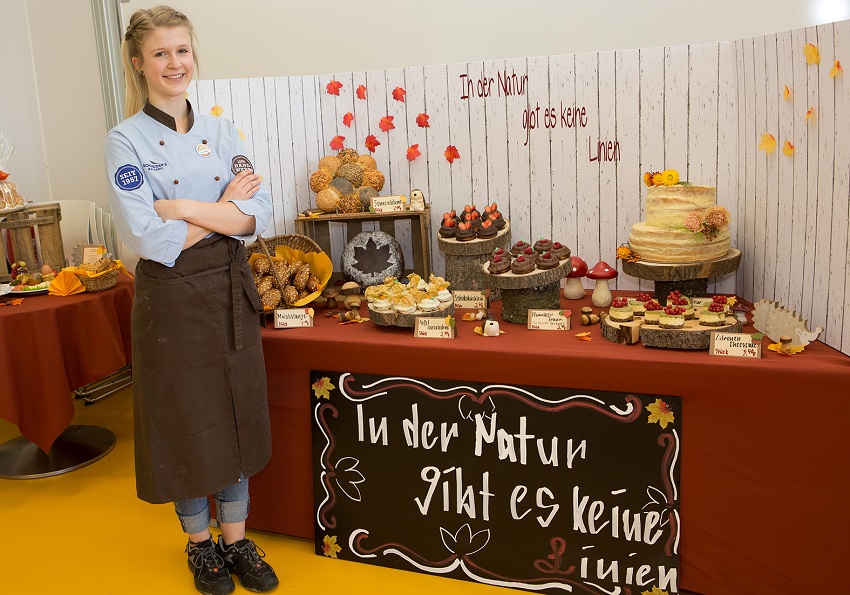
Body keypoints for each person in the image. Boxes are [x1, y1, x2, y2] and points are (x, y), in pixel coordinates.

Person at [104, 6, 278, 594]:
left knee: (234, 415)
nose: (174, 63)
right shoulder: (124, 140)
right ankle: (200, 545)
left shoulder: (224, 132)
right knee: (184, 422)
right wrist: (218, 211)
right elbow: (148, 238)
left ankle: (237, 539)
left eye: (182, 50)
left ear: (193, 56)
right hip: (170, 302)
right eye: (160, 53)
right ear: (139, 64)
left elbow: (256, 217)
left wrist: (179, 208)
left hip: (229, 291)